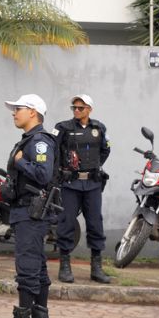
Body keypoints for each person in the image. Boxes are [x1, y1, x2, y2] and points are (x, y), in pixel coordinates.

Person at [0, 94, 58, 318]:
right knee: (38, 266)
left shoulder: (40, 141)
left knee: (27, 268)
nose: (14, 113)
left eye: (19, 109)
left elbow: (43, 174)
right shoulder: (30, 140)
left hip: (31, 212)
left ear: (33, 112)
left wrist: (21, 162)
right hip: (26, 211)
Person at [54, 94, 111, 284]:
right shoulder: (62, 128)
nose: (76, 110)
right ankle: (65, 265)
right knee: (67, 222)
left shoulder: (99, 128)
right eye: (74, 108)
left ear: (89, 109)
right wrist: (60, 173)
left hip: (93, 185)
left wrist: (94, 166)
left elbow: (106, 150)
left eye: (81, 107)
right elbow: (53, 151)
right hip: (70, 184)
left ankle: (96, 268)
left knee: (95, 223)